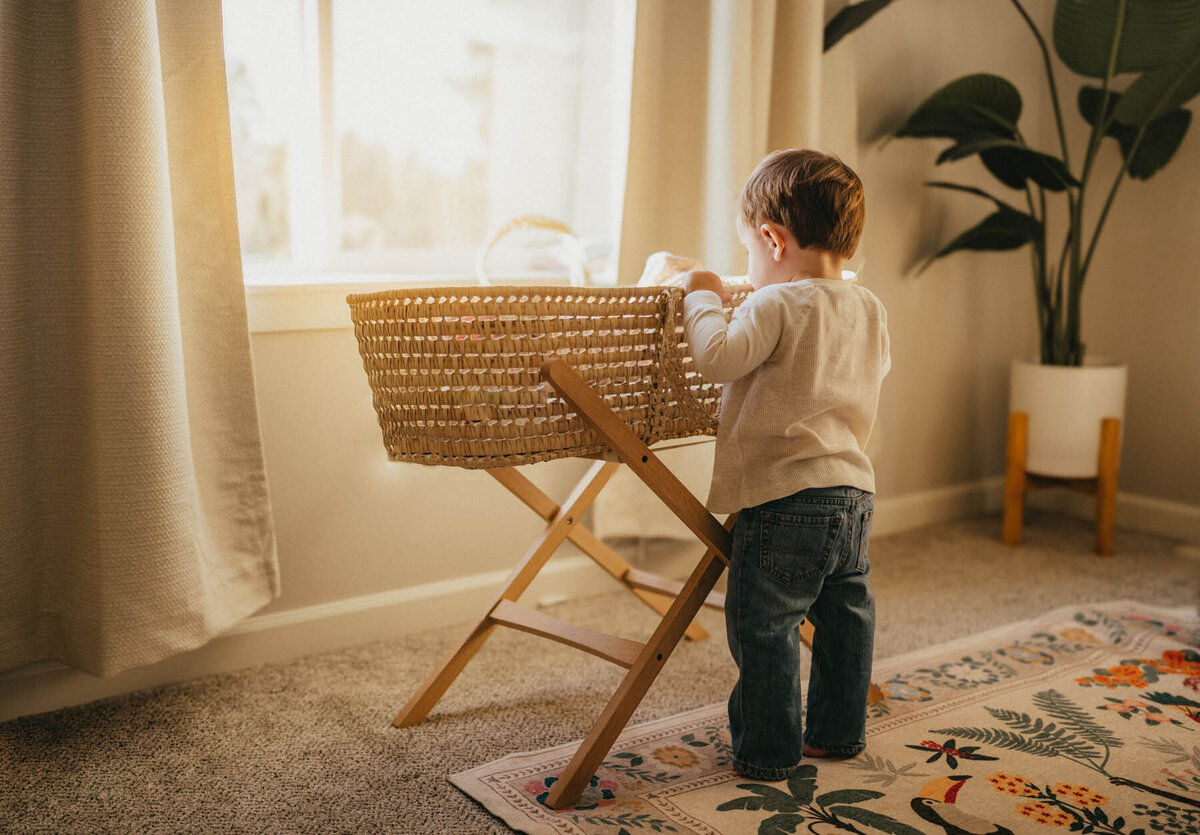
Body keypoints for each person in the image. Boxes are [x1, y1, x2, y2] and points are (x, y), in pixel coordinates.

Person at [679, 148, 890, 780]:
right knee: (845, 616)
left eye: (749, 251)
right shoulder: (869, 306)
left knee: (763, 624)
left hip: (786, 497)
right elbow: (873, 372)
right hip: (853, 490)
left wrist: (703, 298)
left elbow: (717, 359)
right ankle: (836, 733)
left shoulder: (775, 305)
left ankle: (768, 750)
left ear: (772, 239)